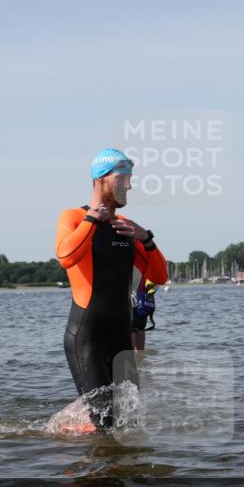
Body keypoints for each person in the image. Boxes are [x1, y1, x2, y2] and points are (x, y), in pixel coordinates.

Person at [56, 148, 168, 429]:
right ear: (101, 179)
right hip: (87, 338)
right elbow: (65, 256)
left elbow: (160, 275)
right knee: (105, 424)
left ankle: (75, 435)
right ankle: (72, 439)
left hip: (121, 339)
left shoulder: (126, 229)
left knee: (130, 421)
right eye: (123, 178)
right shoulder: (73, 218)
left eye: (130, 178)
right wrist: (92, 219)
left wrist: (147, 239)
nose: (129, 185)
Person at [131, 279, 157, 351]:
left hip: (133, 302)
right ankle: (140, 359)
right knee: (140, 328)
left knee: (132, 329)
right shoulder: (146, 268)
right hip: (143, 303)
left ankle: (131, 358)